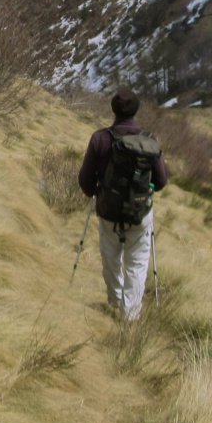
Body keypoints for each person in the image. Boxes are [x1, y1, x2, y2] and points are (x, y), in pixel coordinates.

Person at [77, 89, 169, 320]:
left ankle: (115, 301)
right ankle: (129, 317)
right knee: (136, 264)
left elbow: (85, 181)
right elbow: (161, 181)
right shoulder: (149, 140)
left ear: (113, 109)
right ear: (136, 110)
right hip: (140, 212)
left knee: (110, 258)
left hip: (108, 211)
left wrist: (97, 193)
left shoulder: (100, 138)